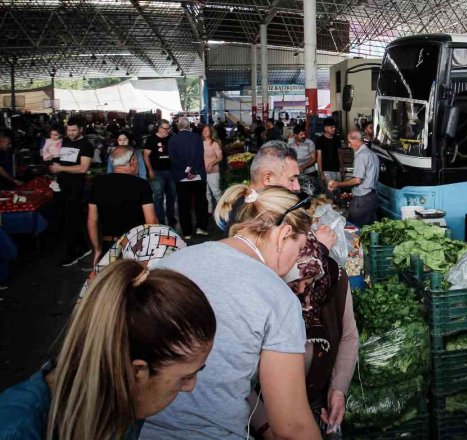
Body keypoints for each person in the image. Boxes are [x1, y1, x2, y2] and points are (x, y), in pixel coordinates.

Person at [140, 185, 322, 440]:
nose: (297, 259)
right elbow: (292, 428)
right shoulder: (276, 296)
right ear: (284, 235)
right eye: (300, 248)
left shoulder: (172, 263)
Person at [0, 259, 216, 440]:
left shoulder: (124, 397)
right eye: (186, 376)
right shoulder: (17, 430)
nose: (190, 387)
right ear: (135, 372)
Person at [251, 237, 358, 435]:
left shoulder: (333, 278)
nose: (301, 290)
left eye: (308, 280)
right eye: (293, 281)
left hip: (315, 402)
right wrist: (265, 427)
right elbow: (241, 376)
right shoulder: (258, 291)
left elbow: (348, 336)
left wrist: (338, 389)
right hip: (263, 414)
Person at [87, 146, 157, 266]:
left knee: (112, 283)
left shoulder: (97, 184)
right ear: (133, 161)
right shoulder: (141, 185)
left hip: (109, 245)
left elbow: (92, 221)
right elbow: (151, 221)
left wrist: (97, 249)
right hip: (135, 244)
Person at [49, 120, 94, 267]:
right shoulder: (65, 141)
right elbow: (59, 159)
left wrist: (60, 168)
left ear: (81, 129)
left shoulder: (86, 145)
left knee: (71, 220)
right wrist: (54, 167)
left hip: (75, 187)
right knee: (64, 218)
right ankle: (84, 247)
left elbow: (83, 168)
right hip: (61, 185)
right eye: (68, 130)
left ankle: (72, 254)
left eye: (74, 130)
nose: (71, 133)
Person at [328, 130, 379, 226]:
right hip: (373, 197)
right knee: (371, 228)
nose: (349, 145)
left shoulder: (361, 155)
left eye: (350, 142)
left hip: (362, 198)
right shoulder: (372, 154)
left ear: (356, 140)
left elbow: (357, 180)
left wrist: (338, 184)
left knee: (355, 227)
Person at [168, 117, 208, 239]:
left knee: (183, 204)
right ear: (189, 125)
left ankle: (187, 232)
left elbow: (173, 159)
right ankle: (202, 228)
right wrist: (193, 170)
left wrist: (186, 172)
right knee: (200, 202)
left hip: (181, 177)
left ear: (178, 126)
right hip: (198, 175)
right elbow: (200, 156)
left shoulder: (172, 140)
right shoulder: (196, 138)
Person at [143, 120, 177, 228]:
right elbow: (146, 155)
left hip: (171, 171)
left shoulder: (171, 138)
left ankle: (171, 216)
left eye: (168, 129)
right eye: (165, 129)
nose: (167, 131)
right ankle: (160, 219)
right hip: (157, 171)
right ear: (159, 128)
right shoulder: (151, 139)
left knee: (171, 195)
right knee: (158, 196)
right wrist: (150, 170)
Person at [200, 124, 224, 211]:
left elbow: (220, 157)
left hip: (213, 171)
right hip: (202, 172)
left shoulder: (215, 143)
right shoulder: (200, 143)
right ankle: (209, 210)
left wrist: (211, 164)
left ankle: (221, 210)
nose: (204, 132)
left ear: (211, 132)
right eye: (203, 130)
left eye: (207, 130)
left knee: (216, 192)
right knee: (206, 192)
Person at [315, 118, 342, 191]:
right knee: (330, 192)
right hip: (326, 171)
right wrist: (321, 174)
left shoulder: (337, 138)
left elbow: (339, 154)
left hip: (337, 170)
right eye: (331, 127)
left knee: (338, 191)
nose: (334, 129)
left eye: (334, 127)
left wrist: (342, 168)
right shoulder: (320, 140)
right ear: (325, 128)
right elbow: (319, 157)